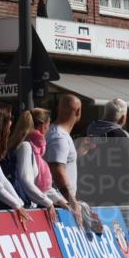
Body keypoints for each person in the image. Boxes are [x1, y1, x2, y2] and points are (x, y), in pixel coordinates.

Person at [7, 108, 68, 222]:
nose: (49, 128)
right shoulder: (26, 147)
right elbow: (26, 181)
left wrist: (61, 201)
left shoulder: (35, 150)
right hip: (23, 211)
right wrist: (48, 203)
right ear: (42, 126)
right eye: (48, 124)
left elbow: (43, 187)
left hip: (28, 209)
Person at [45, 94, 85, 225]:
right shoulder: (59, 137)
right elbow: (57, 170)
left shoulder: (56, 133)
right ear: (78, 111)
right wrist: (72, 200)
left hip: (60, 203)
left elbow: (60, 163)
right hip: (60, 206)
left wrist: (78, 153)